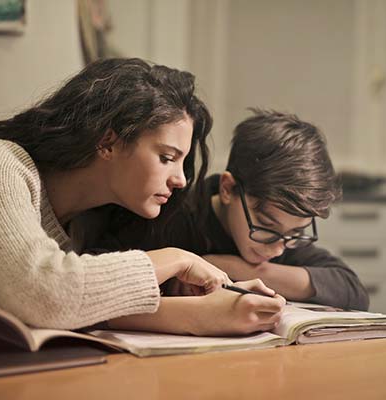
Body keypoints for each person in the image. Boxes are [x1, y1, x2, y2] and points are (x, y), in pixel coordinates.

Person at [0, 58, 284, 336]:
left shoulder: (89, 222)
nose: (181, 180)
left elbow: (81, 307)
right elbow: (47, 293)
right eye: (167, 157)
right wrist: (177, 259)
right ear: (107, 142)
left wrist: (208, 309)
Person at [104, 109, 369, 310]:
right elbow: (100, 282)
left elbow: (352, 290)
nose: (277, 249)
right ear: (228, 189)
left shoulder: (283, 237)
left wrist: (243, 269)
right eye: (266, 226)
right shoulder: (168, 215)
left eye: (296, 233)